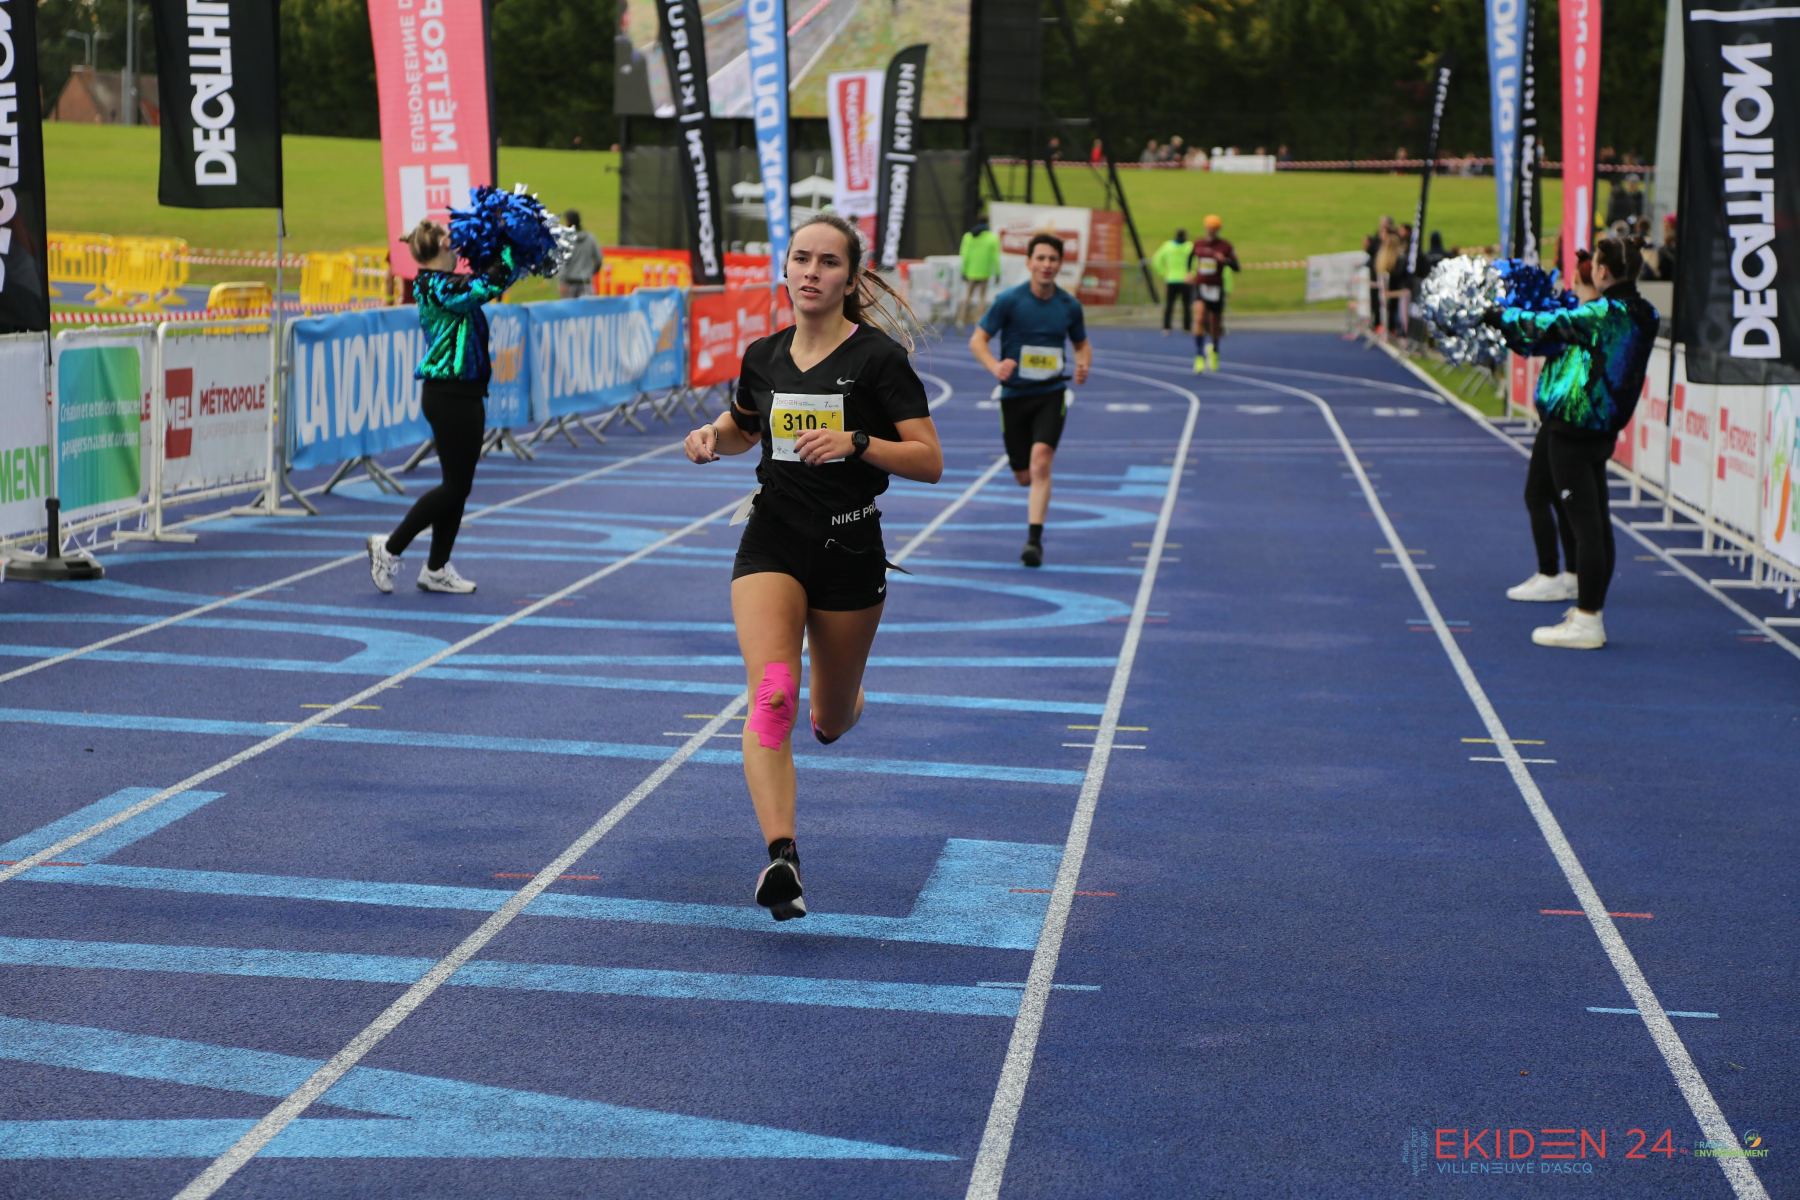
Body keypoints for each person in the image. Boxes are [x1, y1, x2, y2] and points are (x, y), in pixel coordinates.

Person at [681, 214, 943, 920]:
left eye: (828, 262)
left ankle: (846, 702)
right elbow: (745, 426)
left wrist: (858, 442)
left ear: (851, 279)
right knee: (772, 695)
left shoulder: (879, 360)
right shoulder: (763, 355)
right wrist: (710, 437)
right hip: (772, 539)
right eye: (802, 258)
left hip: (850, 548)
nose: (812, 272)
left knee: (827, 716)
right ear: (785, 268)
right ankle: (782, 858)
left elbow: (930, 460)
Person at [1486, 236, 1658, 649]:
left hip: (1575, 427)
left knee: (1586, 528)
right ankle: (1587, 611)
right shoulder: (1646, 313)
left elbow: (1545, 326)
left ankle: (1587, 618)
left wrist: (1500, 315)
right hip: (1603, 429)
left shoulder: (1602, 313)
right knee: (1596, 522)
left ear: (1602, 271)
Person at [367, 221, 525, 596]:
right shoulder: (439, 286)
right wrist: (508, 245)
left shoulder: (442, 283)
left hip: (464, 393)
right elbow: (488, 285)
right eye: (452, 246)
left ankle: (436, 567)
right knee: (454, 487)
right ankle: (389, 548)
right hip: (450, 395)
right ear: (441, 245)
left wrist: (504, 249)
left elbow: (490, 279)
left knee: (458, 486)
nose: (457, 252)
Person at [968, 233, 1091, 567]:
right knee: (1024, 474)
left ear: (1060, 264)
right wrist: (995, 366)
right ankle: (1030, 491)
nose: (1047, 265)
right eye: (1041, 258)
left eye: (1053, 259)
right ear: (1029, 262)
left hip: (1051, 393)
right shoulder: (1010, 301)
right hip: (1015, 396)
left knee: (1041, 462)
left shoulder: (1069, 306)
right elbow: (978, 340)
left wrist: (1083, 363)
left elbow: (1081, 344)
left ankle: (1033, 541)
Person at [1506, 249, 1596, 608]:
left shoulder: (1583, 319)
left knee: (1537, 494)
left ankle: (1549, 574)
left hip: (1564, 416)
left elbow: (1541, 338)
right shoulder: (1585, 316)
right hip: (1567, 416)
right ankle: (1571, 573)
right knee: (1559, 497)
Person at [1187, 214, 1239, 372]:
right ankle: (1199, 355)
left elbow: (1237, 267)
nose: (1211, 230)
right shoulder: (1198, 244)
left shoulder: (1225, 246)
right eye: (1209, 227)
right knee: (1199, 317)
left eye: (1214, 228)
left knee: (1215, 324)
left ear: (1218, 229)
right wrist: (1189, 272)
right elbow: (1189, 258)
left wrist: (1226, 261)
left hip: (1216, 288)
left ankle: (1214, 350)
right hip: (1200, 286)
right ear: (1205, 228)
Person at [957, 216, 1002, 328]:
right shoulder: (992, 238)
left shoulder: (968, 236)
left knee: (967, 296)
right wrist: (997, 273)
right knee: (982, 298)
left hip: (970, 271)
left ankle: (961, 320)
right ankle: (979, 321)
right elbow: (995, 257)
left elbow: (964, 255)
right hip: (984, 272)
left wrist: (963, 271)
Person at [1152, 227, 1194, 335]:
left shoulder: (1168, 246)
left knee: (1169, 305)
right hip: (1186, 279)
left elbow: (1156, 260)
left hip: (1171, 279)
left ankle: (1166, 327)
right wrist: (1192, 274)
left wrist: (1164, 273)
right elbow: (1197, 261)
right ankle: (1187, 327)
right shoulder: (1190, 246)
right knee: (1186, 305)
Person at [556, 210, 604, 299]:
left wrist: (561, 281)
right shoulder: (590, 238)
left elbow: (561, 262)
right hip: (586, 284)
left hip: (568, 284)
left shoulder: (565, 240)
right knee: (586, 308)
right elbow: (599, 260)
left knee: (569, 308)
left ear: (568, 222)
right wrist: (590, 272)